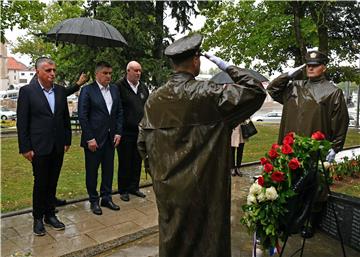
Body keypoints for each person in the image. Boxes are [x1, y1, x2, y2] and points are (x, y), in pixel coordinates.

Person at [137, 33, 266, 257]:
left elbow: (142, 143)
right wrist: (226, 66)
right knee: (206, 241)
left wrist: (159, 174)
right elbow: (255, 90)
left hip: (168, 188)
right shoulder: (208, 94)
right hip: (205, 189)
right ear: (196, 60)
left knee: (173, 241)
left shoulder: (154, 99)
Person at [267, 50, 349, 238]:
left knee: (314, 187)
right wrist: (288, 75)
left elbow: (340, 123)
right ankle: (285, 219)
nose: (311, 68)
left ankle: (310, 221)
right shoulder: (293, 87)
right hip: (288, 148)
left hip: (313, 149)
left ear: (324, 67)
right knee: (286, 182)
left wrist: (335, 148)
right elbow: (272, 89)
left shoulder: (332, 92)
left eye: (315, 65)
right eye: (308, 65)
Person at [17, 57, 71, 236]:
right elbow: (22, 122)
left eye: (54, 70)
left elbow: (65, 119)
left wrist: (67, 141)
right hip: (39, 146)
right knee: (40, 183)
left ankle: (50, 214)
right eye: (48, 70)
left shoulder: (61, 91)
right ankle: (38, 218)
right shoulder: (27, 91)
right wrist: (25, 148)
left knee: (53, 181)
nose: (52, 74)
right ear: (37, 71)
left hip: (57, 146)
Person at [78, 61, 123, 215]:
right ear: (97, 74)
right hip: (94, 140)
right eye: (105, 73)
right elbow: (83, 116)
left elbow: (119, 113)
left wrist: (118, 132)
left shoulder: (115, 90)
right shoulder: (87, 90)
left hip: (111, 138)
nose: (108, 76)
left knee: (108, 170)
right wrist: (89, 138)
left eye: (110, 73)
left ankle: (107, 197)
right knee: (92, 171)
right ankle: (93, 200)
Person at [115, 61, 149, 202]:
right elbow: (117, 110)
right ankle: (123, 189)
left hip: (140, 131)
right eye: (135, 70)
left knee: (137, 160)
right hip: (125, 131)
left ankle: (134, 187)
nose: (138, 73)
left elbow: (147, 106)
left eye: (140, 70)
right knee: (125, 160)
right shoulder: (118, 87)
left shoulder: (143, 87)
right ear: (127, 71)